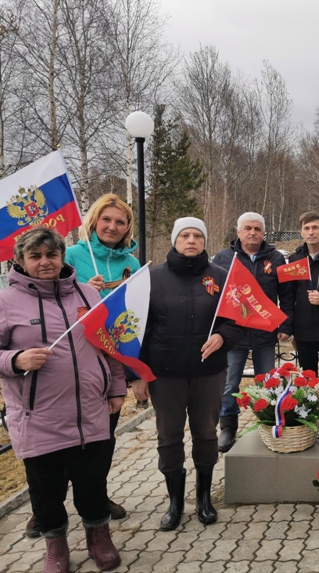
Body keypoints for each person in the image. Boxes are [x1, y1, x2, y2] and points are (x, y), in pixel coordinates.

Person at [0, 227, 126, 572]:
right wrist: (15, 360)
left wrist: (116, 388)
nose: (45, 262)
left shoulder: (87, 294)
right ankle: (55, 546)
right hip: (38, 417)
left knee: (92, 482)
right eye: (36, 256)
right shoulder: (6, 302)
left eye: (51, 255)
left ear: (62, 257)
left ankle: (99, 537)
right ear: (21, 261)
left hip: (90, 413)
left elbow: (110, 345)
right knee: (46, 489)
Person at [132, 217, 243, 531]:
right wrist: (137, 374)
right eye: (185, 235)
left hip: (208, 374)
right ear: (174, 239)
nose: (191, 240)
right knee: (169, 437)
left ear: (205, 241)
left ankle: (204, 498)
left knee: (206, 434)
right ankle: (175, 501)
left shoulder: (221, 277)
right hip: (164, 376)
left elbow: (236, 320)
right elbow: (137, 329)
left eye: (197, 235)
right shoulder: (151, 278)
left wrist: (224, 336)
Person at [63, 193, 140, 524]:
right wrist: (80, 287)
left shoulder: (132, 264)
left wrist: (136, 370)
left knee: (104, 434)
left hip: (113, 360)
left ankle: (96, 496)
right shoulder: (70, 255)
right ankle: (48, 504)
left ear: (127, 229)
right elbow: (50, 304)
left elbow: (137, 313)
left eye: (120, 222)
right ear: (94, 221)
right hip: (74, 359)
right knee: (65, 435)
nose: (112, 226)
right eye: (106, 219)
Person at [212, 212, 294, 453]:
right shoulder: (224, 257)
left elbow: (286, 295)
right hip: (232, 332)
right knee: (229, 384)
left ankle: (268, 423)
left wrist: (286, 326)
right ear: (238, 232)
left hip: (265, 332)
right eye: (247, 228)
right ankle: (228, 427)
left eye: (257, 229)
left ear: (264, 233)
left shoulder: (277, 258)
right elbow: (216, 295)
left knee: (269, 382)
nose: (252, 232)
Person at [288, 212, 319, 385]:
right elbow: (289, 296)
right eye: (306, 228)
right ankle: (310, 411)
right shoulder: (295, 258)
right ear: (301, 232)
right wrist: (289, 328)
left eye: (315, 227)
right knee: (308, 383)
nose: (311, 232)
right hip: (304, 332)